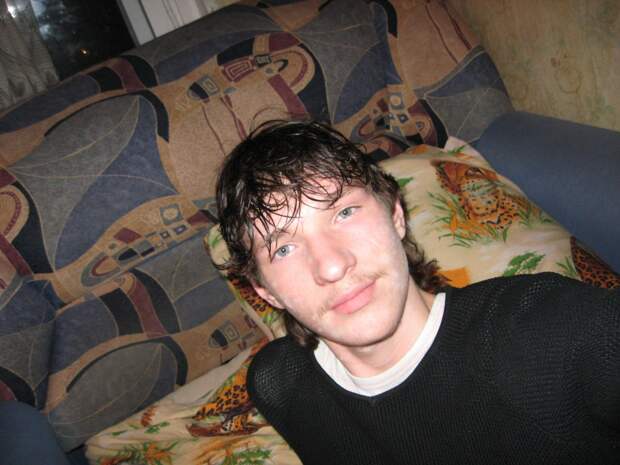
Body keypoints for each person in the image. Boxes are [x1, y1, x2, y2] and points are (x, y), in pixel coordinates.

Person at [215, 119, 620, 465]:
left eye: (344, 212)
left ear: (395, 214)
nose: (332, 266)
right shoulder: (280, 383)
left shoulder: (562, 330)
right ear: (265, 291)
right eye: (283, 249)